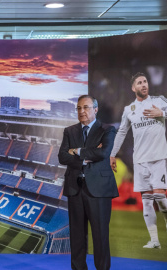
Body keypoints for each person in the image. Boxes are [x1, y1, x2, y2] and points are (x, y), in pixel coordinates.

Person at [58, 95, 118, 270]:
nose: (82, 111)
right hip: (75, 188)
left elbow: (103, 154)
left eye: (86, 107)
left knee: (100, 236)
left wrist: (76, 151)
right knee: (77, 237)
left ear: (95, 109)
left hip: (99, 190)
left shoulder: (107, 130)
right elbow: (62, 156)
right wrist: (85, 158)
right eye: (78, 108)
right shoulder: (69, 131)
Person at [110, 72, 167, 249]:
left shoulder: (160, 101)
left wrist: (162, 113)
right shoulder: (129, 110)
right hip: (140, 161)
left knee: (160, 196)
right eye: (139, 83)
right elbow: (121, 133)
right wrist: (112, 154)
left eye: (145, 81)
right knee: (147, 201)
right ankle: (154, 240)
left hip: (158, 158)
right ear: (133, 88)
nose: (143, 85)